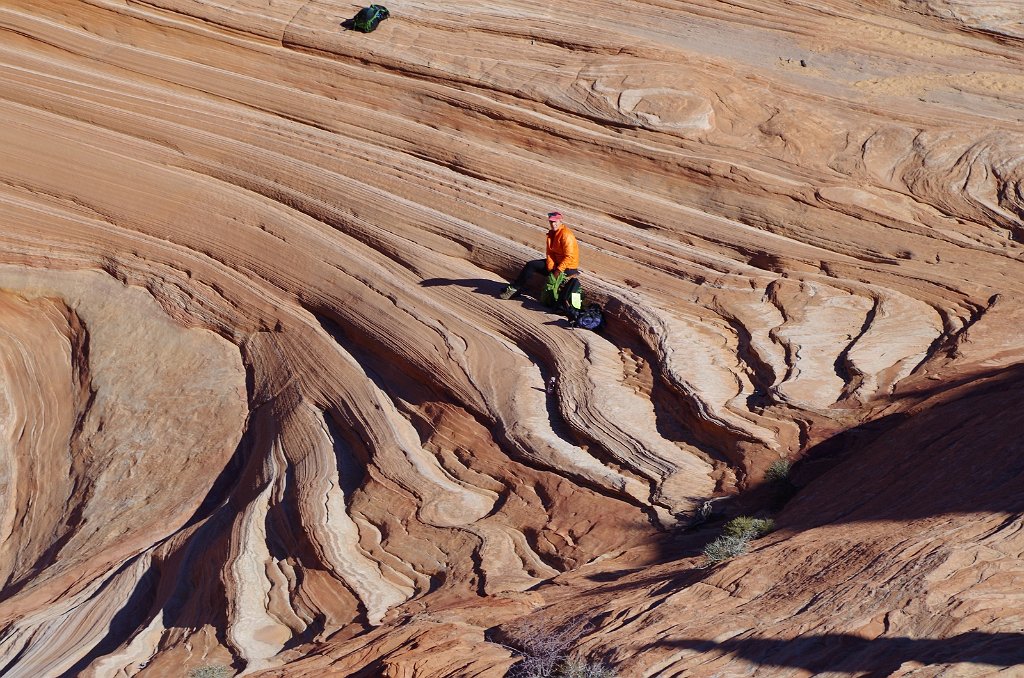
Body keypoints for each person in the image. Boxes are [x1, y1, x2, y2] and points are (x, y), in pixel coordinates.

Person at [499, 211, 579, 300]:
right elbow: (551, 253)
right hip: (556, 264)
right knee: (531, 265)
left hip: (567, 269)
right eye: (551, 222)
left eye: (555, 222)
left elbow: (569, 256)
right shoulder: (553, 233)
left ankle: (515, 289)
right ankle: (516, 288)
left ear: (560, 221)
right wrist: (551, 266)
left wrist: (558, 270)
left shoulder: (566, 235)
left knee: (532, 266)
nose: (553, 224)